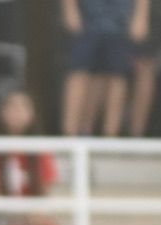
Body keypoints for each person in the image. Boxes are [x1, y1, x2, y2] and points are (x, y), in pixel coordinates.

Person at [0, 88, 72, 225]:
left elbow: (44, 193)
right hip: (0, 215)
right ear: (2, 112)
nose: (17, 113)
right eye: (12, 107)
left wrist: (33, 215)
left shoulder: (39, 150)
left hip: (31, 214)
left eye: (23, 107)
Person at [60, 0, 149, 136]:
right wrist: (69, 8)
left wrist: (141, 15)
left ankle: (110, 136)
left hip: (120, 17)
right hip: (87, 15)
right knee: (79, 71)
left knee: (117, 76)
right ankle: (70, 136)